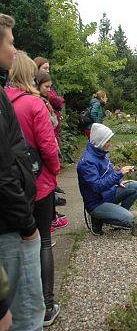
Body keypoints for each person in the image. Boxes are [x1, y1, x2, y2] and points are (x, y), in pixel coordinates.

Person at [5, 50, 61, 326]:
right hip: (37, 186)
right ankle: (47, 306)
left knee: (11, 245)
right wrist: (54, 172)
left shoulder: (4, 101)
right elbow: (49, 148)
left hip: (9, 189)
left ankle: (11, 308)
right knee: (43, 242)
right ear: (31, 76)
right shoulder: (34, 104)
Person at [0, 14, 44, 331]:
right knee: (26, 311)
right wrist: (27, 224)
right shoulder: (30, 103)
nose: (15, 50)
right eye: (11, 43)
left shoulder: (5, 95)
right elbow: (4, 172)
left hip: (12, 215)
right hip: (12, 222)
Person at [77, 123, 137, 236]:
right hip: (96, 203)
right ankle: (97, 220)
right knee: (128, 218)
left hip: (108, 194)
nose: (110, 144)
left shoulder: (100, 152)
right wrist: (119, 173)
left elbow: (107, 172)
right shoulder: (87, 162)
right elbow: (97, 186)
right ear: (100, 141)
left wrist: (118, 181)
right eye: (107, 141)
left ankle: (115, 219)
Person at [36, 70, 69, 231]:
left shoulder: (43, 101)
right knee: (46, 187)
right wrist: (55, 165)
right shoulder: (39, 103)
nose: (50, 90)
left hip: (44, 151)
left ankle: (50, 218)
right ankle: (47, 222)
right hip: (44, 153)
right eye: (47, 86)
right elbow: (50, 126)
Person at [33, 57, 65, 145]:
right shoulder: (36, 90)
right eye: (45, 68)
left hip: (53, 131)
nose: (47, 71)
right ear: (36, 68)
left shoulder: (46, 84)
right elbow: (57, 101)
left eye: (48, 68)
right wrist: (59, 99)